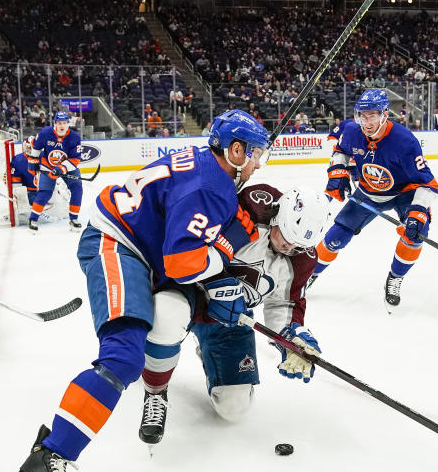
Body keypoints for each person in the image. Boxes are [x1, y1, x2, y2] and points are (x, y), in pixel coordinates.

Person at [6, 110, 275, 472]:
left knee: (152, 335)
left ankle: (149, 395)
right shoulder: (211, 187)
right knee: (122, 358)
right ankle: (48, 459)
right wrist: (226, 245)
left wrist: (227, 231)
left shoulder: (202, 162)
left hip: (138, 248)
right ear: (236, 151)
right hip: (116, 244)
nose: (258, 165)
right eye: (255, 155)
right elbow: (183, 264)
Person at [138, 185, 334, 447]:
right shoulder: (251, 211)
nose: (289, 247)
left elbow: (284, 304)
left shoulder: (301, 259)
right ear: (279, 216)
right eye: (286, 236)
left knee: (234, 408)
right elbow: (193, 241)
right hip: (187, 289)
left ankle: (211, 352)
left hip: (231, 319)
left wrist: (292, 336)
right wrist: (214, 282)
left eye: (298, 245)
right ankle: (155, 391)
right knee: (166, 315)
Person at [312, 88, 438, 312]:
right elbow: (340, 150)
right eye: (363, 114)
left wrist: (417, 212)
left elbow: (428, 184)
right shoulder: (352, 131)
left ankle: (395, 277)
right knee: (336, 236)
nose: (366, 121)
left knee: (417, 234)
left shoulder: (405, 142)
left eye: (372, 115)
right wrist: (338, 171)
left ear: (385, 115)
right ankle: (310, 273)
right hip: (368, 191)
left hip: (403, 193)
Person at [27, 110, 83, 231]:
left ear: (68, 123)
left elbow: (75, 159)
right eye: (59, 123)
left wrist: (61, 168)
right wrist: (33, 163)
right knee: (45, 192)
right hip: (48, 165)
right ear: (55, 124)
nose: (61, 125)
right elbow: (36, 147)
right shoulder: (46, 133)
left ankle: (74, 219)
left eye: (64, 123)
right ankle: (33, 218)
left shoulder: (74, 137)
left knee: (77, 188)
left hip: (67, 167)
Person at [9, 138, 39, 216]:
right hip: (30, 193)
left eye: (33, 148)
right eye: (29, 148)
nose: (31, 150)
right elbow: (15, 184)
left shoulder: (45, 157)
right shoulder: (18, 160)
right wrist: (20, 198)